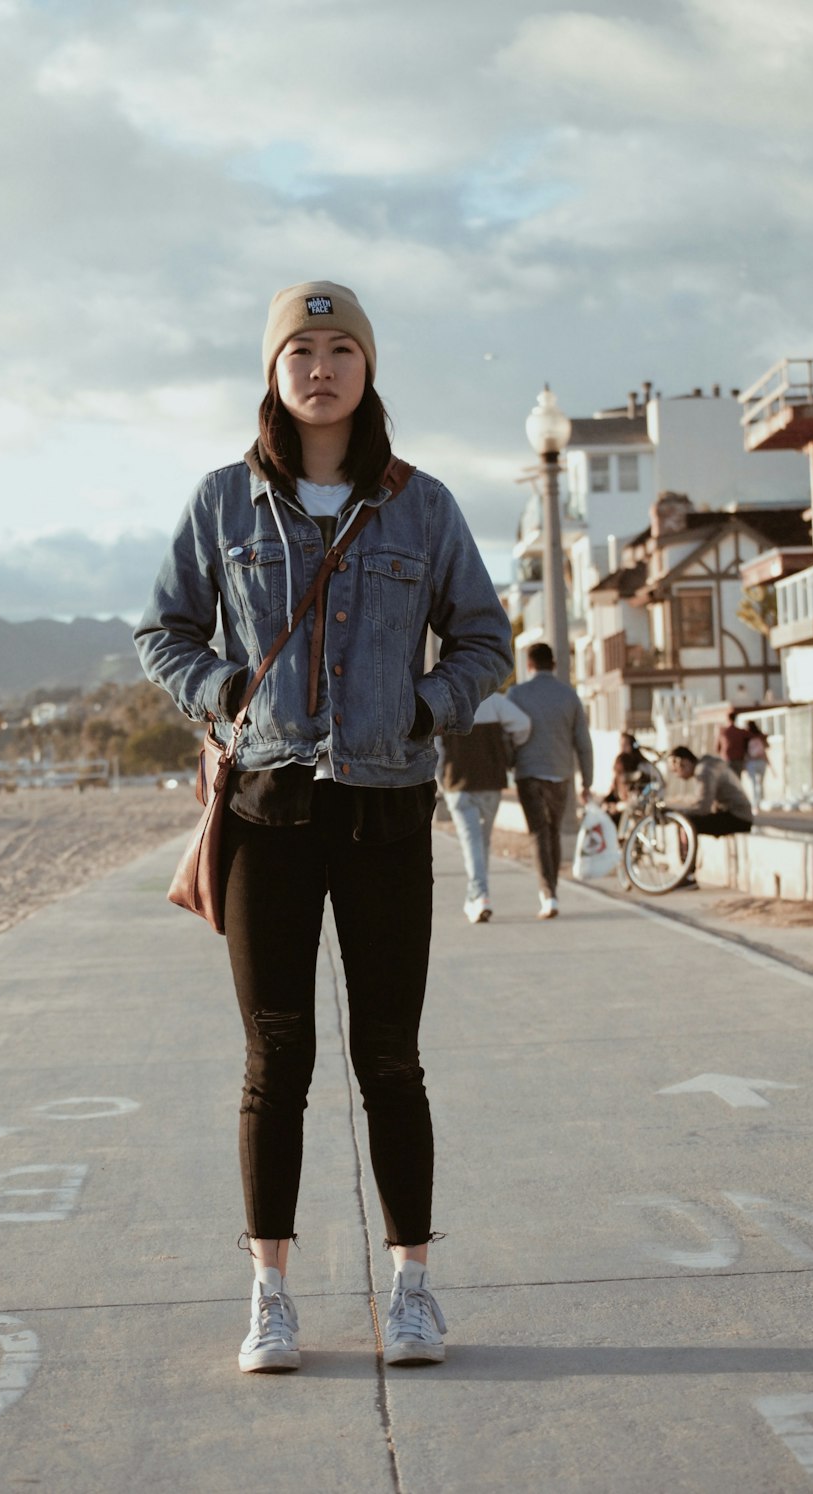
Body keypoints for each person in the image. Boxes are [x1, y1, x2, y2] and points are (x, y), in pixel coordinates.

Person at [135, 281, 512, 1374]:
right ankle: (270, 1297)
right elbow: (164, 632)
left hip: (388, 810)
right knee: (276, 1059)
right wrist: (223, 693)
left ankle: (412, 1293)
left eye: (341, 347)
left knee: (390, 1057)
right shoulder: (222, 503)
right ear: (272, 371)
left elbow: (483, 639)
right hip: (268, 812)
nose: (320, 367)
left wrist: (422, 705)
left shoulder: (422, 504)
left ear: (367, 368)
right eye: (300, 349)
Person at [508, 642, 594, 919]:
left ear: (529, 665)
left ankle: (548, 895)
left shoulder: (516, 694)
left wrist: (509, 764)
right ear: (554, 665)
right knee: (553, 831)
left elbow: (507, 736)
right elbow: (583, 742)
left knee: (538, 833)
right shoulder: (569, 696)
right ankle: (552, 890)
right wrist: (587, 782)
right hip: (561, 774)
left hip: (528, 772)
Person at [439, 691, 530, 923]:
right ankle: (478, 896)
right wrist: (507, 750)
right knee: (482, 841)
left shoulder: (446, 700)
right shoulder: (494, 700)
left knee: (472, 842)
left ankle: (479, 896)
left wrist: (439, 780)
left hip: (457, 783)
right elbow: (523, 724)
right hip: (491, 781)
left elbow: (437, 747)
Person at [665, 745, 753, 884]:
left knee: (686, 823)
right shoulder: (706, 765)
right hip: (736, 814)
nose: (677, 775)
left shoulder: (704, 771)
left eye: (676, 770)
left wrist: (677, 813)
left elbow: (702, 807)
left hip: (737, 816)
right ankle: (687, 873)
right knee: (686, 820)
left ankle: (687, 876)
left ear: (685, 762)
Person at [602, 732, 660, 822]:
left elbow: (642, 794)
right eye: (621, 745)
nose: (622, 748)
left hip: (637, 806)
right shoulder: (620, 762)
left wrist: (619, 806)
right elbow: (614, 790)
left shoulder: (642, 767)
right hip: (624, 805)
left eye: (625, 745)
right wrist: (606, 803)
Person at [716, 708, 750, 778]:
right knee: (737, 781)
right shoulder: (741, 732)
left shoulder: (723, 732)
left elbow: (717, 748)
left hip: (727, 760)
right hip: (739, 759)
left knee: (729, 782)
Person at [744, 724, 770, 809]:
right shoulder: (760, 737)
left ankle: (757, 803)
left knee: (755, 783)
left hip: (752, 763)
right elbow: (766, 748)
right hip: (761, 762)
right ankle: (759, 802)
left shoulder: (747, 739)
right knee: (760, 783)